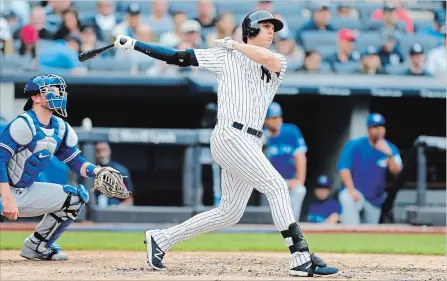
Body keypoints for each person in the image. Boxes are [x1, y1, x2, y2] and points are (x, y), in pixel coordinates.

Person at [113, 10, 338, 277]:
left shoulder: (275, 60)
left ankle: (161, 239)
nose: (271, 32)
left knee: (230, 212)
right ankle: (300, 256)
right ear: (251, 29)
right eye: (265, 27)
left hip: (252, 141)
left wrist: (234, 44)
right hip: (230, 136)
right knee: (277, 186)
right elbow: (178, 57)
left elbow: (263, 57)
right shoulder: (224, 56)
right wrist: (137, 45)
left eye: (273, 28)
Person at [0, 74, 120, 260]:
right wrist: (7, 199)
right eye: (52, 90)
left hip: (24, 191)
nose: (58, 94)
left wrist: (97, 171)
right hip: (3, 192)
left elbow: (74, 161)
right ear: (36, 97)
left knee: (75, 198)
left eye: (59, 90)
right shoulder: (23, 124)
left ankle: (36, 247)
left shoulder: (60, 128)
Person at [337, 113, 403, 225]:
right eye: (375, 127)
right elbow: (344, 169)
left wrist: (389, 155)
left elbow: (397, 171)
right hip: (357, 193)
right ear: (368, 129)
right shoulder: (355, 145)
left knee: (370, 229)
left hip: (375, 199)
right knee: (346, 197)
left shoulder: (390, 148)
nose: (379, 130)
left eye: (381, 127)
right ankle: (349, 232)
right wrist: (351, 190)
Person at [264, 102, 307, 222]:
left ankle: (292, 227)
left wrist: (299, 180)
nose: (278, 120)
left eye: (279, 117)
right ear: (265, 120)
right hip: (266, 181)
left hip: (288, 180)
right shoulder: (259, 134)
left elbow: (300, 157)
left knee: (300, 189)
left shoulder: (291, 131)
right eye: (273, 118)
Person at [95, 142, 134, 206]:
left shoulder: (120, 171)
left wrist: (120, 208)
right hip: (94, 210)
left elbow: (129, 200)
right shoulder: (88, 171)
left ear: (109, 151)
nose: (101, 154)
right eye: (98, 151)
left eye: (104, 150)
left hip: (115, 209)